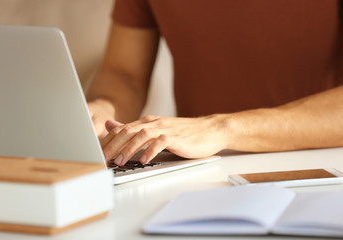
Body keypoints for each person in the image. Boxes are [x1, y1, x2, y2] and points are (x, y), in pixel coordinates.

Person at [87, 0, 343, 167]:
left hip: (321, 167)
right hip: (198, 169)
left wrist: (222, 128)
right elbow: (124, 74)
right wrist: (103, 110)